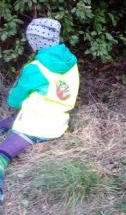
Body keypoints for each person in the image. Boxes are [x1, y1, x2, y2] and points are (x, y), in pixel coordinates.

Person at [0, 18, 79, 201]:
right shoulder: (71, 61)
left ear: (35, 41)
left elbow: (13, 101)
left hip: (36, 127)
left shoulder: (35, 68)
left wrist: (15, 91)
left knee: (2, 155)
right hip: (59, 123)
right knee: (12, 119)